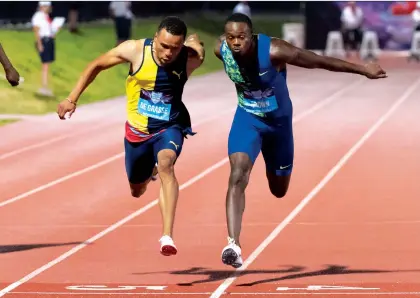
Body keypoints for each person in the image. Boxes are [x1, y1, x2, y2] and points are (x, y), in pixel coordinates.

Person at [214, 13, 386, 268]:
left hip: (279, 126)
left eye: (241, 37)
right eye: (231, 38)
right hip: (248, 120)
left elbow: (319, 61)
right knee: (237, 173)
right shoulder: (221, 49)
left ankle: (271, 165)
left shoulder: (275, 50)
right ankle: (233, 244)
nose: (236, 43)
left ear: (252, 36)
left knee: (279, 190)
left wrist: (363, 69)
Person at [56, 16, 205, 256]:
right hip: (136, 132)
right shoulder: (135, 50)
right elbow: (96, 65)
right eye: (164, 46)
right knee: (137, 190)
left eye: (175, 48)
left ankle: (167, 236)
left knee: (167, 164)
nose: (168, 53)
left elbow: (197, 48)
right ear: (155, 38)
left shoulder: (190, 58)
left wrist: (195, 42)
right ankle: (149, 173)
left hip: (170, 127)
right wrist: (71, 98)